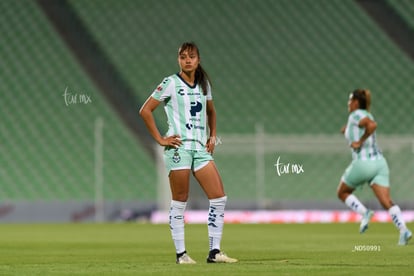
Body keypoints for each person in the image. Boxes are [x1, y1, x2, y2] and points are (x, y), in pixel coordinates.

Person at [139, 42, 238, 264]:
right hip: (179, 148)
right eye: (183, 57)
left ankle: (214, 252)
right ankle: (181, 254)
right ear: (179, 60)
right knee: (180, 200)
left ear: (198, 59)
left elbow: (211, 111)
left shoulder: (204, 85)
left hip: (200, 148)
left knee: (219, 197)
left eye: (191, 56)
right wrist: (160, 139)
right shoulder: (171, 83)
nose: (187, 60)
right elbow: (145, 110)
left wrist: (212, 136)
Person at [337, 89, 412, 245]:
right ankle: (404, 230)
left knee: (342, 192)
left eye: (350, 101)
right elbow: (364, 124)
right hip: (379, 164)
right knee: (387, 202)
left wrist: (360, 141)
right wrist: (347, 130)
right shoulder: (365, 115)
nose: (348, 104)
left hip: (364, 164)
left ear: (356, 102)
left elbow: (371, 126)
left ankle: (364, 213)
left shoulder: (356, 115)